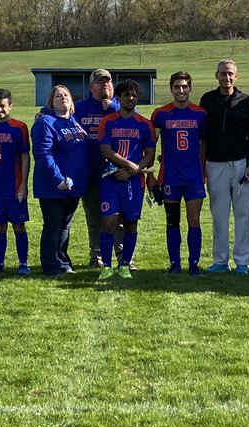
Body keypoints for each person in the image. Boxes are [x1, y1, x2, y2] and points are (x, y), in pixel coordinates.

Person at [200, 60, 249, 274]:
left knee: (242, 214)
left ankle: (242, 262)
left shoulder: (245, 100)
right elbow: (203, 136)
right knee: (219, 215)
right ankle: (221, 261)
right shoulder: (208, 99)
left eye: (230, 74)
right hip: (215, 164)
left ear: (236, 76)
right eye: (223, 73)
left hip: (241, 164)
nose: (227, 77)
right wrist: (202, 165)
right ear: (216, 75)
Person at [96, 79, 156, 280]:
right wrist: (129, 164)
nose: (131, 98)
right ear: (118, 97)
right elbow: (105, 150)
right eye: (126, 95)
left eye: (134, 95)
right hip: (110, 178)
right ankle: (106, 266)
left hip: (133, 180)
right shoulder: (108, 122)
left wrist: (133, 170)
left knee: (131, 223)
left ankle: (125, 265)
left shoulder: (145, 124)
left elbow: (150, 153)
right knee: (109, 221)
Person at [150, 71, 208, 275]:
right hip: (170, 176)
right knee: (172, 221)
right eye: (177, 87)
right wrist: (151, 175)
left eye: (184, 86)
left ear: (190, 88)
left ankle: (194, 264)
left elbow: (204, 143)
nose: (181, 90)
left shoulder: (200, 113)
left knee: (194, 220)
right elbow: (151, 145)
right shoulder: (160, 114)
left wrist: (203, 169)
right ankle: (175, 264)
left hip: (193, 176)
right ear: (171, 89)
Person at [32, 85, 89, 275]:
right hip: (53, 186)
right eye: (58, 96)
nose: (63, 97)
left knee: (65, 226)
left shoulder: (74, 121)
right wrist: (58, 179)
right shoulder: (45, 122)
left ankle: (63, 263)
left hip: (73, 186)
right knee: (53, 226)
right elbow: (43, 154)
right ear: (51, 102)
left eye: (66, 95)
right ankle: (51, 266)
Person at [74, 68, 121, 267]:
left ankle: (124, 258)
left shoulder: (120, 107)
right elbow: (58, 113)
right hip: (90, 172)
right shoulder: (80, 107)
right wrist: (43, 113)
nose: (105, 85)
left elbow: (136, 123)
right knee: (94, 217)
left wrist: (113, 108)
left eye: (108, 82)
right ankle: (97, 257)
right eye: (100, 82)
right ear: (91, 86)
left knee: (118, 217)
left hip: (116, 173)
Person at [0, 88, 31, 276]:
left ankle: (23, 263)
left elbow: (25, 156)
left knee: (19, 225)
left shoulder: (19, 127)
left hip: (14, 186)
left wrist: (24, 184)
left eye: (2, 106)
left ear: (10, 105)